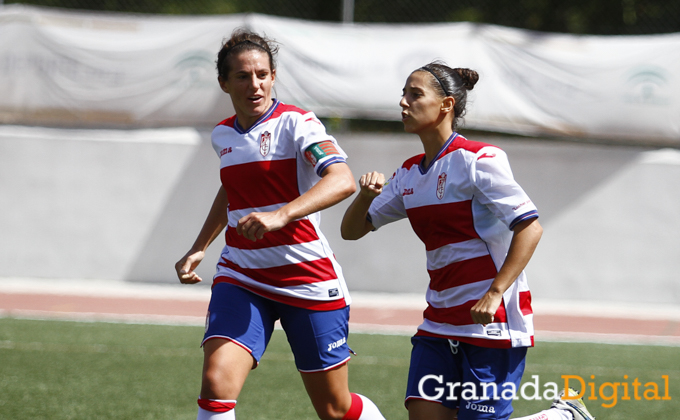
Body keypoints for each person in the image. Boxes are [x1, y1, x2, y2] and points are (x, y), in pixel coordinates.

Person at [340, 62, 596, 420]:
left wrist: (494, 293)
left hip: (492, 323)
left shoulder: (480, 160)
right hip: (438, 323)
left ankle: (562, 417)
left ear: (445, 105)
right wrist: (365, 196)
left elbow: (530, 227)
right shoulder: (409, 173)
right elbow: (351, 231)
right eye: (403, 93)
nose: (403, 102)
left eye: (415, 95)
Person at [175, 28, 386, 420]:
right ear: (224, 82)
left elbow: (340, 180)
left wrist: (282, 214)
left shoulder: (298, 124)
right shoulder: (222, 135)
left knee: (336, 410)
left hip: (306, 278)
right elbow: (232, 190)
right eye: (242, 76)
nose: (254, 84)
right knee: (216, 384)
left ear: (273, 77)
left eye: (262, 74)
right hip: (242, 276)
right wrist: (200, 246)